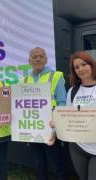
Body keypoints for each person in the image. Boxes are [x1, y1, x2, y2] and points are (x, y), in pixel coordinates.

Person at [21, 47, 68, 180]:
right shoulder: (24, 81)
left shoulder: (56, 76)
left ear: (46, 59)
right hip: (33, 129)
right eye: (35, 56)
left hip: (51, 130)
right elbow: (20, 106)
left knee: (57, 165)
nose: (38, 58)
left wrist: (55, 128)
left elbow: (62, 103)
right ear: (29, 60)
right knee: (39, 164)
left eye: (41, 56)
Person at [67, 51, 96, 180]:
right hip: (77, 147)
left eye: (84, 64)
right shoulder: (73, 91)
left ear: (91, 65)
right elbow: (67, 116)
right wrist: (56, 125)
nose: (81, 69)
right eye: (76, 67)